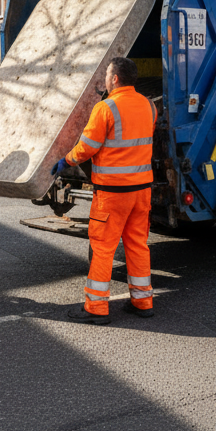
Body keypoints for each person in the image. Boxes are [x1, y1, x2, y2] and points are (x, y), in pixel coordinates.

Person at [52, 57, 156, 325]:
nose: (105, 80)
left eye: (107, 75)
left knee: (103, 247)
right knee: (137, 244)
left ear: (116, 79)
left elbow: (87, 147)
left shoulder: (105, 108)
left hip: (113, 193)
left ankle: (96, 308)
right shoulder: (149, 106)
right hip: (142, 191)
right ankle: (142, 301)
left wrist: (66, 160)